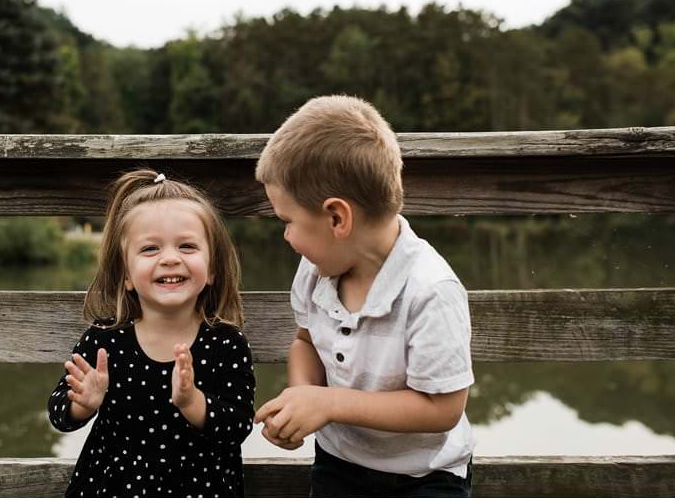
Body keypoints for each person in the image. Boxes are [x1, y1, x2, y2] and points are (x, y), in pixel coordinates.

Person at [254, 96, 473, 498]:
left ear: (337, 217)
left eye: (287, 221)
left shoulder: (430, 290)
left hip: (424, 477)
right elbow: (305, 342)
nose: (286, 236)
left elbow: (443, 409)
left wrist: (329, 403)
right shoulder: (316, 271)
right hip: (339, 465)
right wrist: (301, 399)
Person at [49, 168, 255, 497]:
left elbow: (238, 426)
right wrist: (83, 404)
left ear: (213, 269)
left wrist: (192, 402)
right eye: (150, 249)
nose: (170, 259)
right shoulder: (105, 340)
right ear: (127, 275)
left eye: (187, 246)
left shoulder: (225, 343)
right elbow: (59, 413)